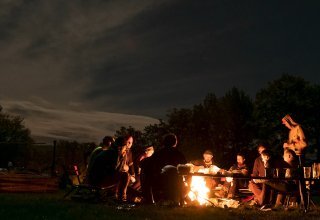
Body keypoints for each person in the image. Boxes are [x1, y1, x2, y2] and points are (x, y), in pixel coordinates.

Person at [142, 133, 187, 204]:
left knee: (146, 176)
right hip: (175, 181)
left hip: (159, 180)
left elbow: (146, 164)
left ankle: (150, 200)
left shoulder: (158, 153)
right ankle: (179, 200)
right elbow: (184, 166)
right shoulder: (178, 154)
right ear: (175, 142)